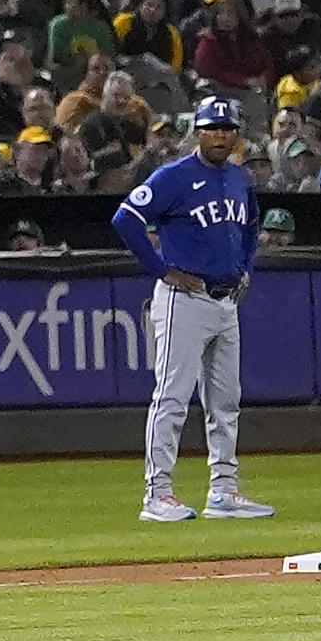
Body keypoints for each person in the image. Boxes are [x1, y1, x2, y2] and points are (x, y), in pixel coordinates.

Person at [113, 89, 272, 525]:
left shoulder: (240, 178)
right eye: (211, 129)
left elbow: (252, 225)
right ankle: (157, 493)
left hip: (225, 300)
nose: (220, 136)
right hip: (185, 298)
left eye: (227, 129)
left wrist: (245, 268)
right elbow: (125, 218)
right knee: (172, 398)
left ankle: (223, 491)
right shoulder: (174, 177)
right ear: (196, 133)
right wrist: (161, 269)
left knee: (226, 401)